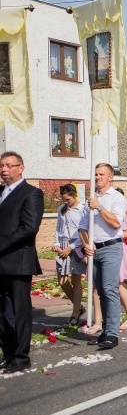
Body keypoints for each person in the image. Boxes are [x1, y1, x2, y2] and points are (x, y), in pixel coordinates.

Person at [0, 151, 44, 373]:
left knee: (19, 310)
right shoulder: (0, 192)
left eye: (9, 165)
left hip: (17, 260)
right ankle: (7, 352)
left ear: (21, 168)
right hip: (1, 262)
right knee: (2, 312)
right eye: (1, 165)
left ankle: (20, 356)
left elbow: (28, 228)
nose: (4, 169)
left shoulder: (31, 193)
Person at [78, 163, 127, 350]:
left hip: (111, 247)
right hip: (94, 249)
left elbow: (116, 224)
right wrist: (85, 244)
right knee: (100, 290)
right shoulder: (91, 199)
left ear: (110, 177)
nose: (97, 177)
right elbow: (82, 226)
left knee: (109, 288)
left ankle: (113, 333)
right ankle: (106, 330)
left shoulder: (116, 198)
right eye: (96, 174)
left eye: (101, 174)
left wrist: (99, 208)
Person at [53, 184, 86, 326]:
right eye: (63, 199)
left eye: (68, 200)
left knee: (75, 280)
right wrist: (56, 243)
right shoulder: (62, 209)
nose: (65, 202)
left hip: (76, 245)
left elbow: (84, 231)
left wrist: (71, 247)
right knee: (62, 281)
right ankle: (79, 308)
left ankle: (74, 314)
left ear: (74, 195)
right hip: (63, 244)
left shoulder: (82, 209)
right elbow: (58, 227)